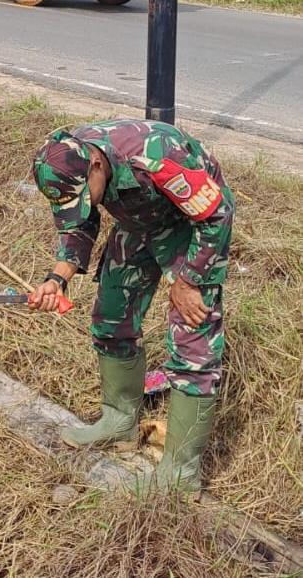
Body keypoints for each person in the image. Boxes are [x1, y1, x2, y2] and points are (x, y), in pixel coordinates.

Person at [29, 119, 234, 492]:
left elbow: (217, 213)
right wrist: (57, 278)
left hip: (193, 226)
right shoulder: (69, 161)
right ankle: (120, 419)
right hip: (139, 221)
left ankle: (179, 474)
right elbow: (81, 219)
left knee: (192, 342)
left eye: (85, 195)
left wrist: (188, 280)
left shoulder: (155, 157)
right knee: (111, 317)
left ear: (96, 166)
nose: (86, 204)